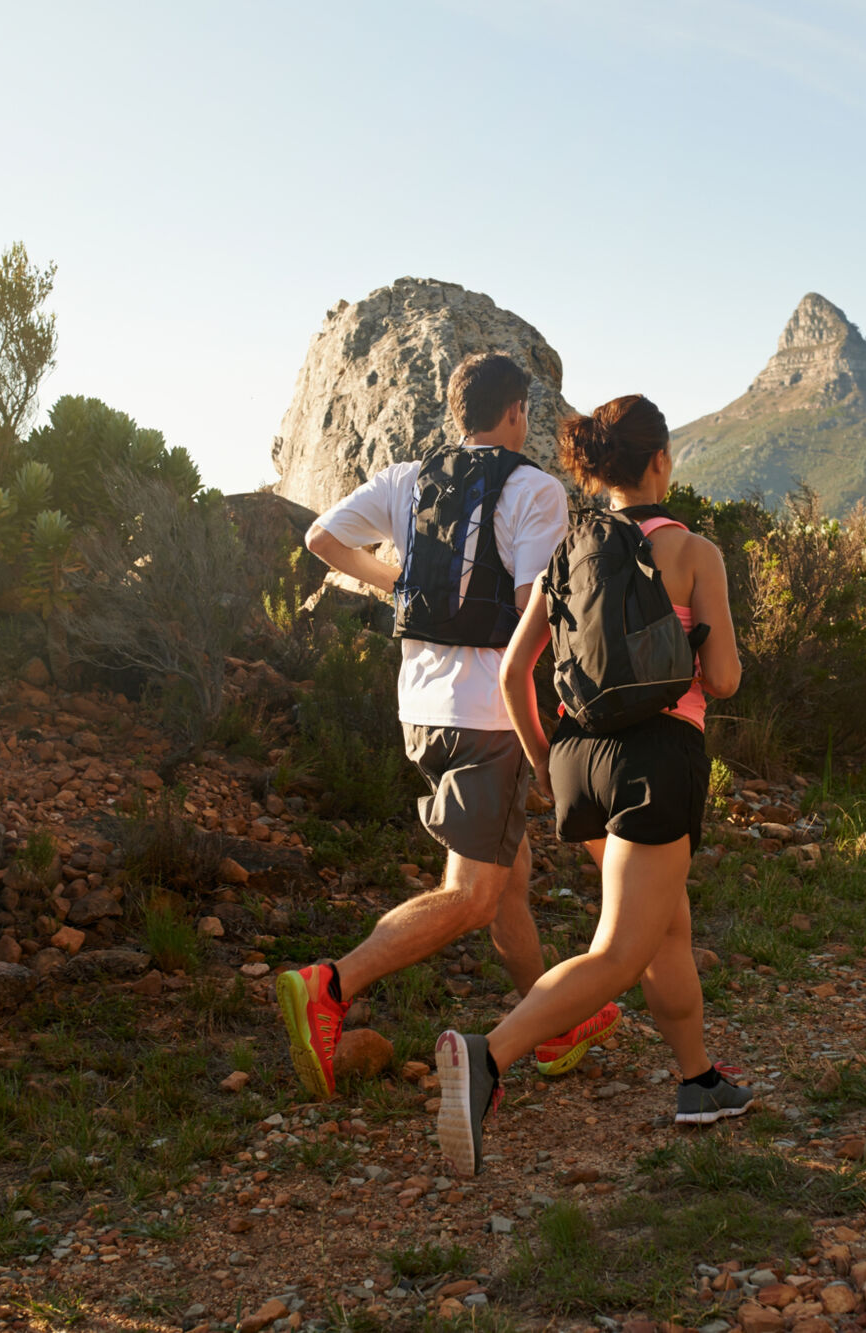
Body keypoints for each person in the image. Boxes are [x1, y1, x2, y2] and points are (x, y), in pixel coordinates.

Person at [277, 352, 623, 1101]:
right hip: (488, 716)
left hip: (421, 710)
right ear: (517, 412)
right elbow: (534, 613)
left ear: (458, 412)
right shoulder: (534, 490)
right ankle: (330, 984)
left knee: (508, 882)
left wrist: (397, 582)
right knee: (471, 895)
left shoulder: (407, 479)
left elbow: (321, 539)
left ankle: (552, 1027)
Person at [434, 393, 752, 1177]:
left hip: (582, 762)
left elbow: (515, 672)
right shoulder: (693, 551)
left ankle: (698, 1080)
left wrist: (547, 762)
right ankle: (488, 1054)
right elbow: (722, 678)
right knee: (618, 950)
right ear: (660, 461)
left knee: (664, 927)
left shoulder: (568, 552)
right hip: (657, 760)